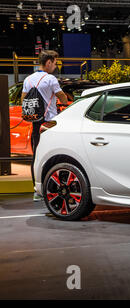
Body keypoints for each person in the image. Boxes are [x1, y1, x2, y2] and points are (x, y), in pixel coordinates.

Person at [21, 50, 68, 201]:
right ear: (48, 62)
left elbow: (23, 100)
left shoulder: (28, 79)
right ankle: (53, 188)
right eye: (54, 63)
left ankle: (36, 191)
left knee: (36, 155)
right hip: (50, 124)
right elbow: (63, 98)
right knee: (55, 155)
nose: (55, 66)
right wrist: (63, 100)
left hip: (35, 123)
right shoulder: (50, 79)